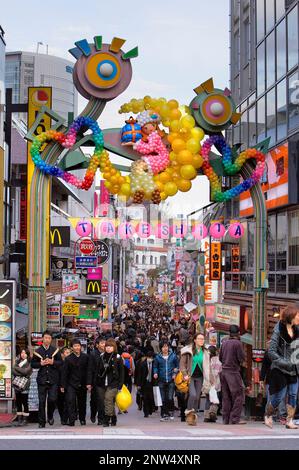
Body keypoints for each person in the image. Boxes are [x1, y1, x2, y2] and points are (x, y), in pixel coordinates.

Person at [264, 306, 299, 429]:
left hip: (294, 368)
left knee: (293, 394)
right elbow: (271, 351)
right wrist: (284, 362)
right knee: (279, 396)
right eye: (297, 316)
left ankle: (289, 421)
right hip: (280, 368)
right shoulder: (278, 329)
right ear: (291, 317)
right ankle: (268, 414)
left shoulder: (297, 330)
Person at [31, 330, 62, 428]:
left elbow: (61, 363)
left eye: (49, 338)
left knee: (52, 399)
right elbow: (32, 364)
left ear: (51, 339)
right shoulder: (37, 351)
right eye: (45, 338)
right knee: (41, 401)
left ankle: (50, 415)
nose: (47, 340)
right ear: (42, 339)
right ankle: (41, 422)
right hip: (42, 379)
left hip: (53, 379)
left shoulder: (55, 350)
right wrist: (40, 364)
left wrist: (53, 363)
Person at [180, 333, 212, 425]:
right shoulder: (187, 350)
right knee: (193, 395)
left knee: (197, 397)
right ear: (195, 340)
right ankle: (189, 412)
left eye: (203, 339)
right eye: (199, 339)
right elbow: (182, 364)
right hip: (190, 376)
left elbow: (208, 365)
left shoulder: (206, 351)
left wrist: (210, 378)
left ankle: (193, 416)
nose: (201, 341)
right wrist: (185, 374)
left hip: (200, 376)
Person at [91, 338, 124, 427]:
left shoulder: (118, 357)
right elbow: (97, 370)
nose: (108, 348)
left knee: (108, 399)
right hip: (101, 383)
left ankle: (106, 419)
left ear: (114, 347)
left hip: (113, 383)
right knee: (103, 401)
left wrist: (120, 385)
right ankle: (113, 417)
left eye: (110, 346)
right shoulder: (101, 356)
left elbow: (121, 372)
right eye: (107, 346)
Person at [219, 325, 246, 425]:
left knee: (226, 396)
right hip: (233, 372)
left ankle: (226, 419)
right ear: (238, 333)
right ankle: (235, 418)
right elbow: (242, 358)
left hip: (224, 372)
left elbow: (220, 358)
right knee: (238, 395)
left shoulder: (224, 343)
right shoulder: (238, 343)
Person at [61, 339, 89, 426]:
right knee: (70, 401)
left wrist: (89, 383)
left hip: (82, 383)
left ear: (81, 346)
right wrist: (63, 385)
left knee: (82, 402)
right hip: (71, 383)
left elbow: (88, 371)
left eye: (78, 346)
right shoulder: (68, 359)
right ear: (72, 348)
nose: (77, 347)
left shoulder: (85, 357)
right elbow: (64, 373)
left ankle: (82, 419)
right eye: (75, 346)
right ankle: (71, 420)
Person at [153, 341, 179, 421]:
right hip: (161, 379)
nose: (165, 348)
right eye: (163, 347)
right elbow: (155, 367)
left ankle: (171, 411)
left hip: (171, 379)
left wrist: (175, 372)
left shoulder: (173, 356)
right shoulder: (158, 357)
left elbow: (177, 366)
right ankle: (164, 414)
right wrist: (155, 373)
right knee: (163, 398)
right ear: (161, 348)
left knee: (170, 397)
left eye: (166, 346)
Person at [13, 348, 32, 426]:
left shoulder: (29, 363)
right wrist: (21, 372)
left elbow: (26, 372)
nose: (23, 354)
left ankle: (25, 419)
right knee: (18, 402)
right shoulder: (18, 361)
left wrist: (17, 369)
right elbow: (13, 371)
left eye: (25, 353)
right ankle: (19, 419)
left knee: (25, 402)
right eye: (22, 353)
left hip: (25, 385)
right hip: (17, 384)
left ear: (27, 354)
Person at [89, 337, 106, 424]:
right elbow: (90, 369)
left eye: (104, 343)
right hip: (95, 380)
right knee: (94, 400)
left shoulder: (108, 353)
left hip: (105, 381)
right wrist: (89, 383)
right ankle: (93, 413)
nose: (104, 345)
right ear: (97, 345)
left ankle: (101, 418)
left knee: (101, 400)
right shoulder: (93, 354)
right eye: (102, 343)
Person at [138, 350, 155, 418]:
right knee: (145, 398)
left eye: (151, 357)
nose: (150, 359)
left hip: (152, 383)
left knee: (151, 397)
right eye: (149, 357)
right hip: (144, 383)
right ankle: (146, 412)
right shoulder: (142, 364)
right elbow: (139, 375)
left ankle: (150, 409)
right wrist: (139, 384)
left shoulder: (154, 363)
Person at [57, 347, 71, 425]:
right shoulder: (58, 363)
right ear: (62, 354)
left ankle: (66, 418)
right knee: (60, 402)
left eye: (69, 352)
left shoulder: (71, 362)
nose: (68, 354)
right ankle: (62, 417)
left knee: (68, 401)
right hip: (59, 385)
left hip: (69, 385)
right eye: (67, 353)